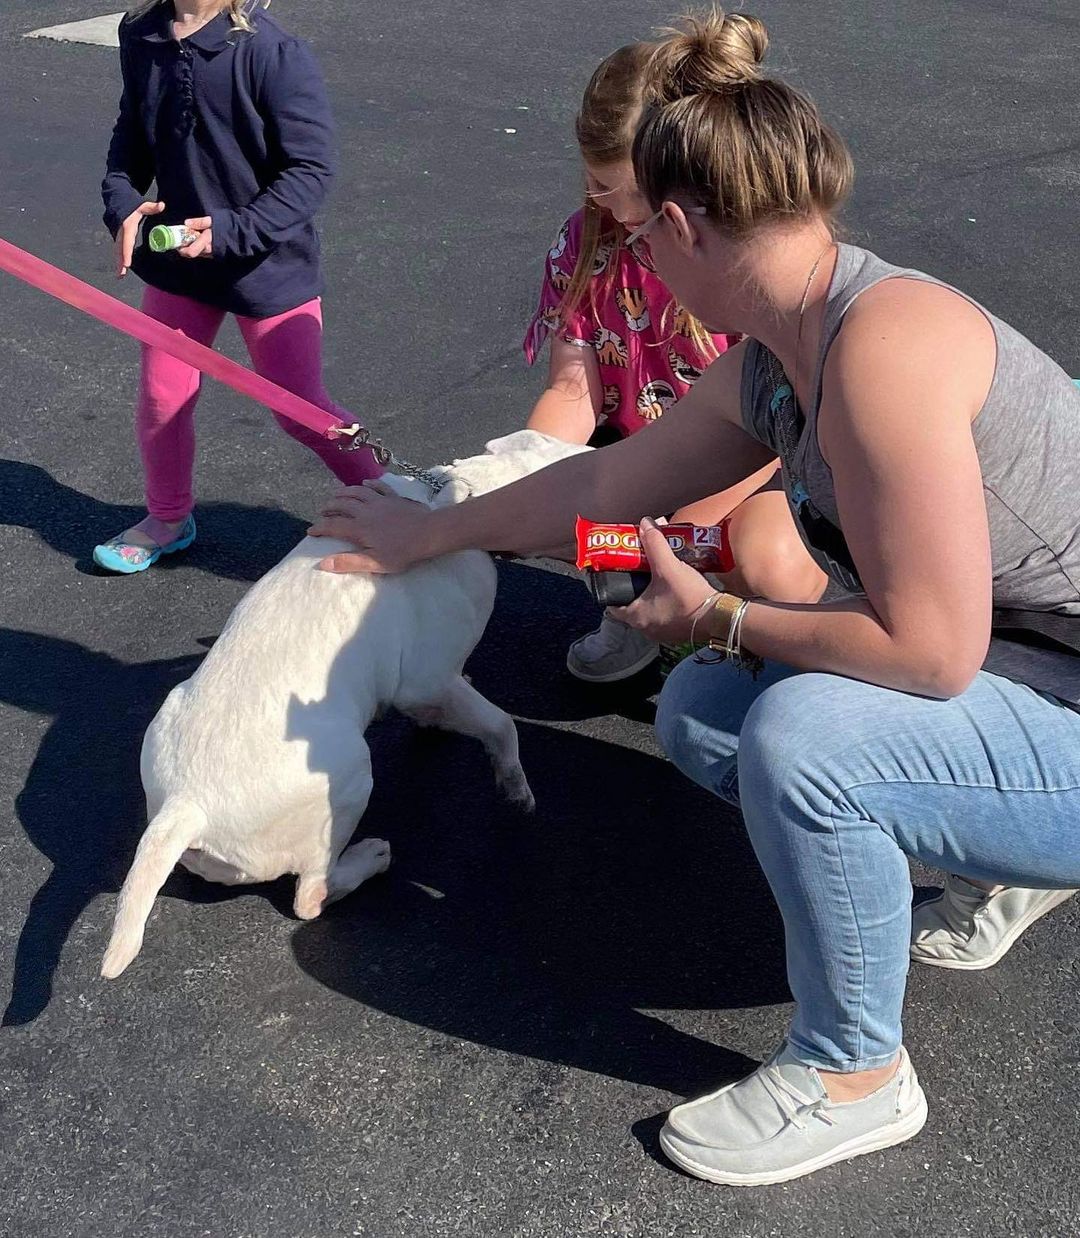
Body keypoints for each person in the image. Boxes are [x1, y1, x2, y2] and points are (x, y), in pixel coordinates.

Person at [309, 7, 1080, 1186]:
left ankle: (855, 1070)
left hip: (1040, 680)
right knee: (710, 710)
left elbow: (929, 652)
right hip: (1038, 666)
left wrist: (711, 615)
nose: (638, 264)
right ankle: (1005, 859)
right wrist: (435, 527)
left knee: (804, 735)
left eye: (644, 240)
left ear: (676, 224)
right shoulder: (785, 348)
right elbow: (610, 478)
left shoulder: (886, 347)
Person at [523, 41, 823, 681]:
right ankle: (643, 616)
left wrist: (691, 517)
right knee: (582, 516)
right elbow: (573, 391)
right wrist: (528, 471)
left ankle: (773, 646)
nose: (594, 197)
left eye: (611, 186)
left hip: (754, 457)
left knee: (762, 554)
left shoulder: (734, 260)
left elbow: (773, 430)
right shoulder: (585, 245)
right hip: (652, 458)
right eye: (590, 179)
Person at [95, 0, 381, 573]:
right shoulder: (141, 33)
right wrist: (122, 202)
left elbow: (310, 170)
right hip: (180, 261)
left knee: (300, 410)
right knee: (162, 399)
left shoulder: (272, 53)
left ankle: (397, 500)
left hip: (266, 265)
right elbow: (133, 131)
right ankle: (168, 517)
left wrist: (231, 230)